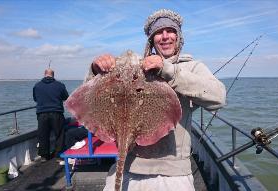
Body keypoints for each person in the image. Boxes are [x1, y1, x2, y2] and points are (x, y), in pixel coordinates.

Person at [85, 9, 226, 191]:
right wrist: (96, 69)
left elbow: (218, 97)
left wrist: (167, 70)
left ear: (178, 36)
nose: (165, 36)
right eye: (159, 32)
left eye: (170, 30)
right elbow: (88, 98)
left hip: (172, 175)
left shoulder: (192, 67)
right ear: (152, 40)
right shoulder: (137, 67)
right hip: (128, 166)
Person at [33, 68, 69, 162]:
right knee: (59, 134)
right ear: (53, 75)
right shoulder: (60, 85)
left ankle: (44, 156)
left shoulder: (37, 86)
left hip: (42, 114)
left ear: (44, 74)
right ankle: (58, 155)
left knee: (43, 135)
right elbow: (66, 97)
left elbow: (35, 99)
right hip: (56, 113)